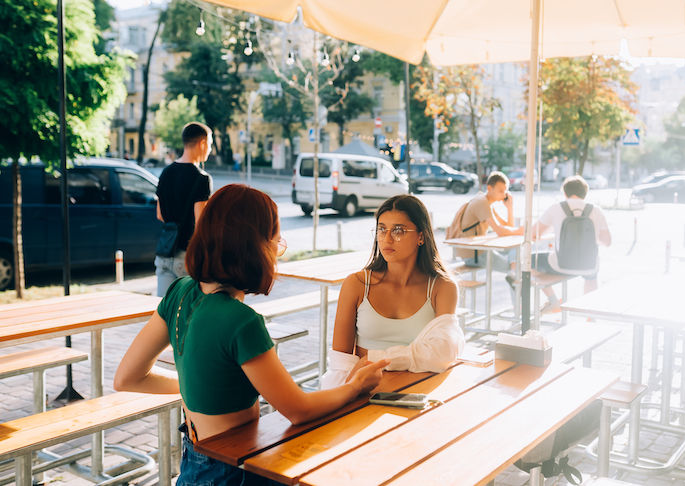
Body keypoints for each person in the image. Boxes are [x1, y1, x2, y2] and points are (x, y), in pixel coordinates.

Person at [115, 184, 388, 486]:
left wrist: (197, 383)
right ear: (254, 245)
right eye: (275, 239)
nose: (277, 249)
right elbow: (298, 410)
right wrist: (355, 386)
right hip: (231, 471)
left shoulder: (178, 292)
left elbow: (127, 378)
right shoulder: (241, 321)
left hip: (193, 462)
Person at [321, 195, 465, 388]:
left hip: (418, 390)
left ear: (421, 236)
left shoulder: (442, 287)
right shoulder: (356, 284)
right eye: (382, 229)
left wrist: (377, 358)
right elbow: (341, 364)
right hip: (364, 392)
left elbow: (444, 351)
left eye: (398, 231)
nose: (387, 239)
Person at [529, 175, 612, 311]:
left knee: (530, 260)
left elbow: (534, 232)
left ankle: (553, 299)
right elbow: (607, 242)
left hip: (560, 265)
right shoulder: (596, 210)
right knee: (592, 276)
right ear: (585, 194)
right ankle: (590, 315)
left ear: (565, 193)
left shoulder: (556, 208)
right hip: (588, 266)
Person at [155, 122, 214, 297]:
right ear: (201, 143)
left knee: (165, 314)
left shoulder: (166, 172)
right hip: (187, 257)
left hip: (165, 254)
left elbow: (160, 214)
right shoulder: (201, 178)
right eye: (210, 144)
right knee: (189, 315)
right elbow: (200, 222)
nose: (210, 150)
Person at [456, 171, 523, 271]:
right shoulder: (482, 202)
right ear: (489, 188)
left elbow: (508, 227)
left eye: (505, 191)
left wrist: (509, 208)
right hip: (473, 254)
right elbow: (500, 231)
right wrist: (518, 231)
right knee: (513, 266)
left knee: (516, 248)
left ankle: (513, 275)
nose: (504, 195)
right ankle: (513, 274)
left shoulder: (487, 203)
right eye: (500, 191)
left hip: (480, 249)